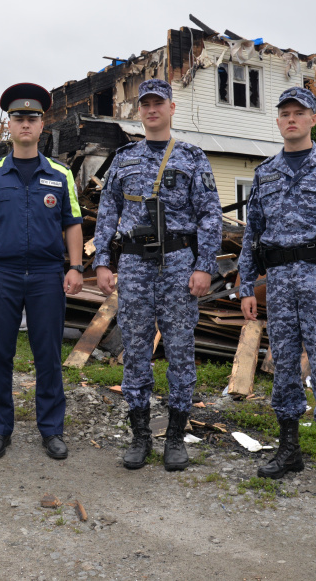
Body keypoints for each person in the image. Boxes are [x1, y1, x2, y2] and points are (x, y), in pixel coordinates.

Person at [237, 86, 316, 492]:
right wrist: (245, 287)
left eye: (299, 112)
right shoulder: (265, 173)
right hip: (279, 285)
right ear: (277, 122)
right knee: (284, 367)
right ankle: (289, 450)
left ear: (312, 119)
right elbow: (251, 236)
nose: (291, 119)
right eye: (285, 113)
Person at [92, 79, 222, 472]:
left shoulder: (191, 157)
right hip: (134, 264)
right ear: (140, 110)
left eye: (158, 103)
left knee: (180, 348)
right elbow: (107, 211)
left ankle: (177, 437)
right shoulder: (123, 158)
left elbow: (210, 214)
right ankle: (140, 436)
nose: (152, 110)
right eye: (145, 103)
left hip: (179, 263)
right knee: (135, 347)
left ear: (171, 108)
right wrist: (101, 260)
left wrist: (204, 266)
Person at [0, 83, 84, 461]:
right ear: (9, 125)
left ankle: (51, 430)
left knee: (47, 353)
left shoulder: (60, 174)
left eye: (32, 118)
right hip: (2, 273)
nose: (25, 124)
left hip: (48, 273)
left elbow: (72, 224)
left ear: (42, 124)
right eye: (18, 118)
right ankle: (0, 430)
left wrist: (76, 267)